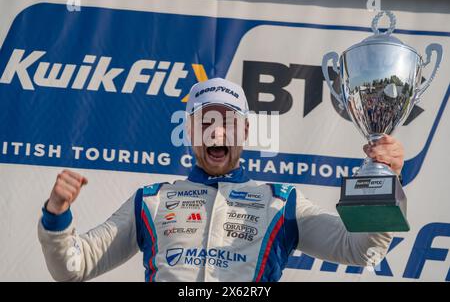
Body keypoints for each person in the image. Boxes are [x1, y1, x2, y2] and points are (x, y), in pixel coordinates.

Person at [38, 78, 404, 282]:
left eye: (227, 122)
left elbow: (361, 250)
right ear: (190, 130)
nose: (217, 133)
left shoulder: (280, 201)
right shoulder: (151, 200)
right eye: (206, 122)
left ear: (244, 130)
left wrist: (382, 182)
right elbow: (74, 266)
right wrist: (56, 216)